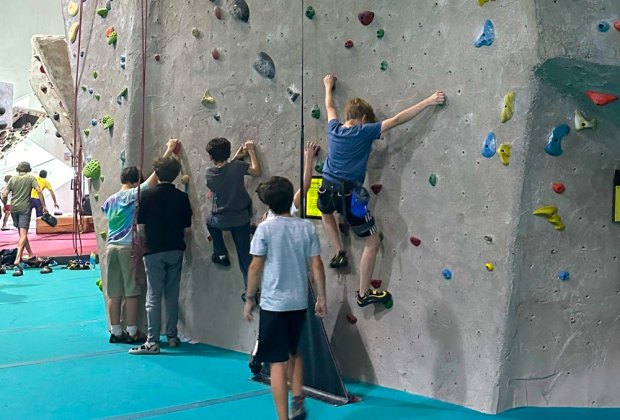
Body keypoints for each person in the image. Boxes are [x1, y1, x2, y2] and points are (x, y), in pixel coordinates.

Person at [318, 74, 445, 307]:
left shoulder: (333, 128)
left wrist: (328, 86)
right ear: (365, 119)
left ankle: (338, 251)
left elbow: (329, 106)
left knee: (326, 213)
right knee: (373, 242)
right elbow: (397, 119)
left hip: (326, 187)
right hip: (349, 194)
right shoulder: (364, 131)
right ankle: (364, 293)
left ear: (348, 116)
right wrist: (428, 101)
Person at [244, 176, 327, 420]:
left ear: (267, 204)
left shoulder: (265, 228)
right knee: (294, 352)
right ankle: (298, 398)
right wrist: (321, 297)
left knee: (276, 363)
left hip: (274, 305)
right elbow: (317, 265)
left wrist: (249, 298)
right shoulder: (306, 227)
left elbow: (254, 268)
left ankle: (283, 418)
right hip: (299, 302)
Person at [101, 140, 178, 344]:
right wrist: (169, 149)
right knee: (132, 292)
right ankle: (133, 331)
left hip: (110, 247)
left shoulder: (110, 200)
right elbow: (154, 180)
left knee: (114, 292)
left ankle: (116, 331)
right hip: (128, 248)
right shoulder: (132, 195)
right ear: (136, 182)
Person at [129, 153, 192, 355]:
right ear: (175, 175)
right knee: (172, 294)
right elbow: (187, 226)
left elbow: (140, 226)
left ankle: (152, 341)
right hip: (176, 249)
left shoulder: (146, 195)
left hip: (153, 250)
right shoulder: (182, 197)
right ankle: (172, 336)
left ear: (156, 173)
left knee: (154, 296)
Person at [205, 138, 261, 295]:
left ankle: (221, 253)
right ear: (228, 153)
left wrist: (237, 156)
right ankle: (251, 291)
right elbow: (257, 171)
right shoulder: (238, 167)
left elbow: (225, 171)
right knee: (245, 255)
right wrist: (251, 151)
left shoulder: (209, 174)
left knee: (209, 221)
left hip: (221, 220)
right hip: (241, 219)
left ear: (211, 157)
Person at [1, 162, 47, 274]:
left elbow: (5, 194)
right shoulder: (31, 178)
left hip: (14, 208)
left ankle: (30, 254)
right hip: (25, 208)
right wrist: (44, 205)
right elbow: (39, 191)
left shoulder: (12, 179)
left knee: (21, 233)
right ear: (28, 169)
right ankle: (17, 259)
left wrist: (5, 205)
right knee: (23, 234)